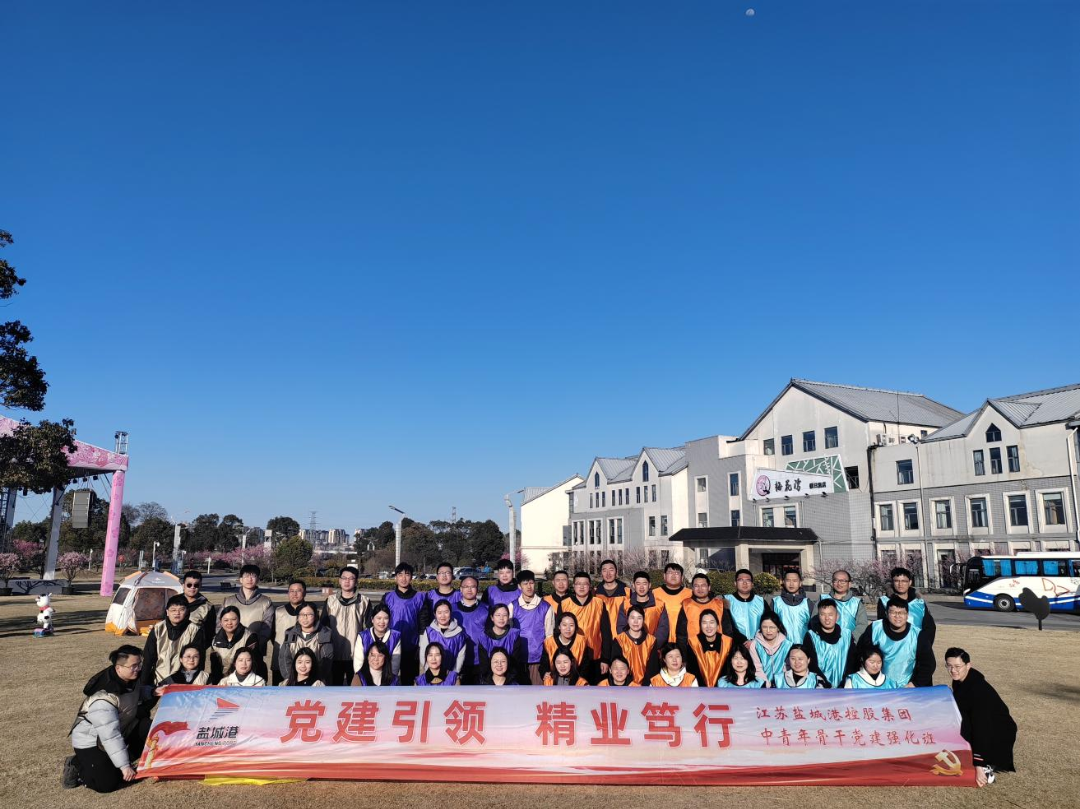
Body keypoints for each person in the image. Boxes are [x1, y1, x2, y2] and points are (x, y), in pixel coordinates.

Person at [64, 645, 153, 792]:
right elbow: (111, 736)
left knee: (148, 727)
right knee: (107, 784)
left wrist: (152, 692)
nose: (138, 669)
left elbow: (135, 694)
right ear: (119, 668)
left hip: (119, 730)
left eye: (139, 664)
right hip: (93, 742)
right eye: (134, 666)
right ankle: (76, 764)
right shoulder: (103, 700)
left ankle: (116, 762)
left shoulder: (130, 680)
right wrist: (124, 766)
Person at [946, 647, 1016, 785]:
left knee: (967, 727)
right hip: (980, 724)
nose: (953, 670)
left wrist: (978, 765)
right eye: (949, 666)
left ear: (968, 665)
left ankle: (986, 765)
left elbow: (981, 728)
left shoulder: (978, 691)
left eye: (957, 666)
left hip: (997, 732)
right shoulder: (961, 680)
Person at [857, 597, 935, 687]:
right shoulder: (875, 629)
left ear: (907, 615)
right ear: (886, 613)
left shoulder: (917, 635)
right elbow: (861, 655)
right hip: (877, 686)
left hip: (907, 687)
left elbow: (928, 664)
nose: (897, 616)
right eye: (893, 612)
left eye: (901, 613)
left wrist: (915, 683)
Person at [220, 564, 274, 679]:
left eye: (253, 576)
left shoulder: (266, 602)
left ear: (258, 579)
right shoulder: (228, 601)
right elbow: (219, 626)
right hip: (229, 651)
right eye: (246, 576)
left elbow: (267, 628)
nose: (250, 579)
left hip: (255, 652)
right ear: (240, 579)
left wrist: (253, 647)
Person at [320, 565, 372, 686]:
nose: (347, 581)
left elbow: (369, 629)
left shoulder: (364, 601)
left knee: (355, 689)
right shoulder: (330, 601)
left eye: (351, 578)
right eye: (344, 578)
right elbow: (323, 627)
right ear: (339, 580)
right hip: (333, 653)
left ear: (356, 581)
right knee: (334, 689)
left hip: (356, 655)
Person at [558, 571, 611, 682]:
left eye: (585, 584)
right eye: (578, 584)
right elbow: (558, 632)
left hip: (595, 657)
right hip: (572, 658)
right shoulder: (564, 603)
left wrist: (605, 659)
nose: (581, 587)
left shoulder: (599, 603)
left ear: (590, 586)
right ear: (573, 586)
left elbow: (606, 633)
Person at [141, 594, 204, 687]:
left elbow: (198, 661)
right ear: (167, 612)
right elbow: (148, 658)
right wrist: (143, 684)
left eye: (181, 610)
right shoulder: (158, 628)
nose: (177, 613)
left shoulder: (195, 630)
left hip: (184, 682)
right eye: (173, 610)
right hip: (158, 680)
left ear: (187, 611)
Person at [382, 562, 428, 684]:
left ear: (411, 577)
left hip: (412, 646)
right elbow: (380, 620)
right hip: (391, 645)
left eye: (407, 574)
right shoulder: (388, 597)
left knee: (408, 681)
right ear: (396, 577)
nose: (403, 578)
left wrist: (421, 645)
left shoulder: (420, 598)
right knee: (388, 680)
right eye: (400, 574)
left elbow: (423, 624)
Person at [512, 570, 554, 685]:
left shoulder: (546, 607)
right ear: (519, 586)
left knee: (537, 692)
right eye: (525, 584)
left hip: (538, 660)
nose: (529, 587)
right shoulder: (512, 606)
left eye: (531, 583)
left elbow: (549, 636)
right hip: (518, 659)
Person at [877, 566, 937, 647]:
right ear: (892, 582)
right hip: (893, 648)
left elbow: (929, 627)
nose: (900, 584)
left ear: (910, 582)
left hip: (917, 646)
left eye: (904, 581)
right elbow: (882, 627)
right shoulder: (884, 601)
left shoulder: (919, 603)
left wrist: (924, 645)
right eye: (897, 581)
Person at [675, 573, 734, 653]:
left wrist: (727, 651)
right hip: (693, 651)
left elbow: (728, 632)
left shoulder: (719, 605)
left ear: (709, 587)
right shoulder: (686, 605)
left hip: (718, 651)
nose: (700, 589)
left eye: (703, 585)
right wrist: (683, 654)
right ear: (692, 588)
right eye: (696, 586)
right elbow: (681, 634)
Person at [806, 600, 858, 689]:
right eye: (822, 614)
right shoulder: (811, 636)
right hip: (820, 687)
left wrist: (845, 682)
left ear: (837, 616)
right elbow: (811, 664)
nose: (827, 618)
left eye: (830, 614)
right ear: (818, 616)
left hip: (844, 687)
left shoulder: (847, 635)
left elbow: (852, 662)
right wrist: (823, 682)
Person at [279, 602, 334, 685]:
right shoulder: (290, 633)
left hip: (317, 682)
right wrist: (290, 678)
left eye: (309, 614)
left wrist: (314, 681)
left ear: (315, 616)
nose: (305, 618)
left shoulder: (324, 633)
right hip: (294, 681)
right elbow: (284, 658)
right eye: (302, 614)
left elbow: (326, 662)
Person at [477, 603, 529, 683]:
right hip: (490, 680)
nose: (501, 618)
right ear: (492, 618)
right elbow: (484, 665)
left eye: (505, 615)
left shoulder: (514, 635)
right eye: (498, 615)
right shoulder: (483, 637)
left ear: (508, 617)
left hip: (510, 679)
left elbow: (515, 663)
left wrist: (507, 681)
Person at [271, 579, 309, 685]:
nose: (294, 594)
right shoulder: (279, 611)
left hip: (304, 661)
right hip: (280, 658)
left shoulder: (310, 612)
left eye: (298, 591)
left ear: (305, 593)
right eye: (291, 591)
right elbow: (272, 635)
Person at [452, 575, 489, 684]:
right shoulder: (452, 609)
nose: (469, 589)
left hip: (481, 660)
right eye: (466, 586)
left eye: (473, 586)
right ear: (460, 589)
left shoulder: (486, 609)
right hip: (458, 659)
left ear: (477, 589)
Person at [209, 605, 257, 684]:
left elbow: (253, 664)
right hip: (222, 682)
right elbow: (215, 667)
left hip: (244, 681)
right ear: (221, 622)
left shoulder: (249, 637)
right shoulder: (215, 640)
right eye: (226, 620)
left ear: (239, 620)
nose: (229, 623)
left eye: (233, 619)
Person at [419, 599, 469, 676]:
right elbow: (423, 653)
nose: (443, 616)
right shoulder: (429, 632)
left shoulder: (459, 633)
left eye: (446, 612)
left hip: (451, 675)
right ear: (435, 614)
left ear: (450, 613)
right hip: (431, 673)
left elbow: (460, 656)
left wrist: (453, 674)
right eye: (439, 613)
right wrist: (430, 670)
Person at [617, 571, 669, 643]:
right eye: (638, 584)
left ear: (649, 585)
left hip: (653, 646)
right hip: (630, 647)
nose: (641, 587)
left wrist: (652, 645)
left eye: (644, 584)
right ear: (633, 585)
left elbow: (663, 629)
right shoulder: (626, 605)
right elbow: (621, 627)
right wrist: (630, 644)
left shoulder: (659, 605)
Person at [685, 609, 732, 687]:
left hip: (723, 688)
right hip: (700, 688)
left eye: (712, 622)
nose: (708, 626)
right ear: (700, 626)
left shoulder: (727, 642)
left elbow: (729, 670)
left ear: (718, 625)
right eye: (704, 623)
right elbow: (692, 670)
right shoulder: (693, 643)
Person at [814, 569, 867, 639]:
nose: (839, 583)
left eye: (843, 581)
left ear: (849, 584)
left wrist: (850, 640)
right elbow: (814, 621)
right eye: (836, 580)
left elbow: (862, 625)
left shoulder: (856, 603)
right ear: (832, 583)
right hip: (824, 641)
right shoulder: (822, 599)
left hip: (849, 641)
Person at [355, 604, 402, 681]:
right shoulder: (363, 636)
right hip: (366, 677)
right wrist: (362, 680)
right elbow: (358, 662)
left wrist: (390, 680)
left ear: (389, 620)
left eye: (386, 618)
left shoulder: (395, 636)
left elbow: (395, 663)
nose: (382, 622)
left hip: (387, 678)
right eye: (379, 618)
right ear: (372, 619)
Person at [612, 605, 657, 685]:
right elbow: (617, 667)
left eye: (639, 618)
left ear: (643, 620)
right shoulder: (619, 640)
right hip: (625, 685)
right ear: (628, 620)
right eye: (632, 618)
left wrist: (645, 686)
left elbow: (653, 668)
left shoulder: (651, 640)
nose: (635, 622)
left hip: (646, 686)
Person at [540, 612, 591, 681]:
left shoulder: (581, 641)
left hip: (575, 681)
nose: (568, 629)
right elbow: (544, 663)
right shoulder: (549, 642)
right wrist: (544, 673)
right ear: (559, 626)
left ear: (575, 627)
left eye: (571, 625)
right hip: (554, 680)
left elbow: (585, 665)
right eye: (564, 625)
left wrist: (580, 680)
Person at [746, 611, 792, 685]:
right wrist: (766, 684)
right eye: (764, 627)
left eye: (772, 627)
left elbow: (788, 668)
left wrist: (779, 683)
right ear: (760, 628)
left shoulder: (788, 645)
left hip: (783, 685)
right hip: (762, 685)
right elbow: (757, 669)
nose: (768, 631)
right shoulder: (754, 645)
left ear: (778, 628)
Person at [770, 569, 814, 644]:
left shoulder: (807, 603)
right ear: (783, 582)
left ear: (800, 583)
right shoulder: (776, 602)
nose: (791, 584)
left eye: (795, 581)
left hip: (803, 646)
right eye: (788, 580)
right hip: (782, 646)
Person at [724, 569, 767, 644]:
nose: (744, 583)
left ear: (752, 584)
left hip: (758, 644)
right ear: (735, 583)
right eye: (741, 580)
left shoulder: (761, 602)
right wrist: (744, 641)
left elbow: (768, 624)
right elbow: (726, 627)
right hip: (735, 645)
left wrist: (755, 642)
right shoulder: (726, 600)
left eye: (748, 580)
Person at [652, 563, 690, 644]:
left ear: (682, 577)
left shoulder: (690, 594)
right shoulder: (654, 594)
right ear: (664, 576)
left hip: (684, 641)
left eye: (677, 573)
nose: (673, 575)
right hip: (659, 641)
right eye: (670, 572)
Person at [179, 570, 216, 651]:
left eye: (196, 585)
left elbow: (210, 633)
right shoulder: (173, 602)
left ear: (200, 586)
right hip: (173, 648)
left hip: (195, 651)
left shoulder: (208, 607)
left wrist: (199, 648)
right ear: (183, 585)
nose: (192, 587)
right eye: (189, 585)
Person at [594, 559, 630, 636]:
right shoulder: (595, 593)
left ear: (616, 572)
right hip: (601, 637)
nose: (608, 574)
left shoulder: (626, 592)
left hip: (622, 636)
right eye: (604, 570)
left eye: (611, 570)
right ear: (601, 573)